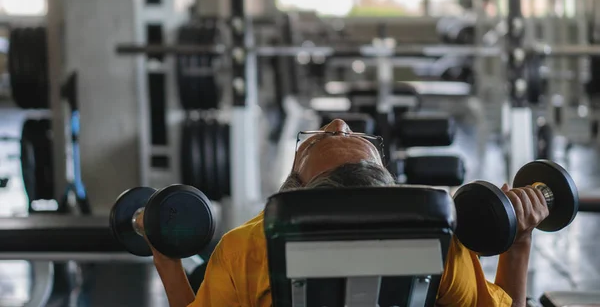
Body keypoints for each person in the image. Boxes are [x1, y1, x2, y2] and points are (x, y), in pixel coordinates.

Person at [150, 119, 548, 307]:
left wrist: (166, 258)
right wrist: (519, 243)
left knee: (204, 274)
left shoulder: (246, 247)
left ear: (295, 187)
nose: (339, 123)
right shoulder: (441, 244)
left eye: (325, 137)